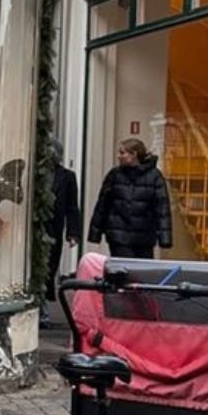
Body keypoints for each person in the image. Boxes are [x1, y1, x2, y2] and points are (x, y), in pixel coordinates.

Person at [87, 137, 172, 260]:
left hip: (143, 238)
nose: (119, 156)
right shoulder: (115, 175)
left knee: (141, 269)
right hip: (119, 235)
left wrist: (165, 238)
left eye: (122, 153)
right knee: (123, 268)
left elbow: (162, 209)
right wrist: (95, 233)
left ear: (134, 154)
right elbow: (102, 205)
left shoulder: (154, 176)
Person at [39, 141, 81, 328]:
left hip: (54, 228)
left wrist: (73, 232)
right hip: (38, 227)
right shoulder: (37, 174)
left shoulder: (68, 177)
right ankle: (40, 309)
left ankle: (43, 309)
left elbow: (72, 207)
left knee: (50, 267)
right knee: (37, 268)